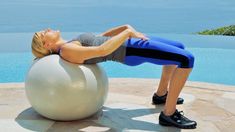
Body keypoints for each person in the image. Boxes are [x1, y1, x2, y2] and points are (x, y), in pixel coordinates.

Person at [31, 24, 197, 129]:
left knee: (179, 47)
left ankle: (161, 95)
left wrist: (123, 28)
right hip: (129, 51)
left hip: (129, 43)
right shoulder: (67, 51)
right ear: (47, 45)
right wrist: (126, 33)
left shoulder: (70, 43)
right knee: (186, 58)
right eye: (43, 33)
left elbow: (98, 39)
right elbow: (102, 51)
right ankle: (168, 114)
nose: (46, 29)